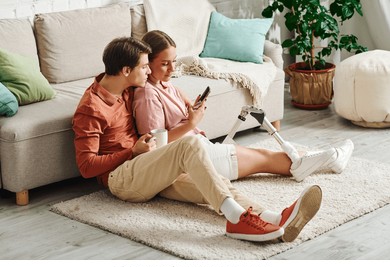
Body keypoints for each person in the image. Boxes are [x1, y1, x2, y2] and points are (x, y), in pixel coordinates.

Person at [72, 36, 323, 243]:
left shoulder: (122, 85)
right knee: (189, 145)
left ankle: (273, 218)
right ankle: (236, 220)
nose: (149, 71)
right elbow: (86, 167)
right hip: (121, 178)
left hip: (145, 166)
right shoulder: (91, 109)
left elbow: (157, 86)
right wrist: (132, 152)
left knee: (212, 181)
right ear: (126, 71)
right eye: (144, 67)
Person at [133, 30, 354, 182]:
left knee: (263, 154)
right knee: (266, 159)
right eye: (164, 63)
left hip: (201, 148)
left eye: (174, 60)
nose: (173, 68)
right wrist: (191, 122)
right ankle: (332, 158)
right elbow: (155, 147)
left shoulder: (165, 85)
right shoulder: (146, 96)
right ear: (146, 63)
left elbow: (177, 102)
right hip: (191, 160)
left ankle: (329, 159)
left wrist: (188, 107)